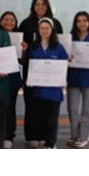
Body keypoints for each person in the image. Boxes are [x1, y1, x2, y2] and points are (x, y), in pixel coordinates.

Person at [18, 0, 64, 148]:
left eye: (43, 4)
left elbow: (63, 59)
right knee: (32, 107)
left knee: (50, 112)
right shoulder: (26, 25)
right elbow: (23, 54)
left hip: (52, 82)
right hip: (33, 78)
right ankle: (33, 136)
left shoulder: (57, 30)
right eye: (37, 4)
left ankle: (48, 140)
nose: (40, 7)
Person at [24, 17, 69, 149]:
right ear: (38, 30)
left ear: (52, 30)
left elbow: (64, 65)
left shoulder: (59, 48)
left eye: (47, 28)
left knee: (51, 119)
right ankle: (39, 138)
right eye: (42, 28)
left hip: (54, 90)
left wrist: (63, 79)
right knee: (38, 116)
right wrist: (29, 79)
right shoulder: (33, 47)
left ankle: (50, 143)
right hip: (37, 89)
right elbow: (29, 66)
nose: (44, 30)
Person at [66, 11, 89, 149]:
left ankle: (83, 137)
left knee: (87, 109)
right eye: (79, 21)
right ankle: (74, 135)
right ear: (75, 23)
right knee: (72, 109)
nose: (82, 23)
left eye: (85, 20)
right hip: (74, 77)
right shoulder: (70, 39)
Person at [0, 10, 24, 149]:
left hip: (12, 77)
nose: (9, 22)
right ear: (1, 21)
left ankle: (9, 136)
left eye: (12, 20)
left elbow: (21, 60)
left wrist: (24, 50)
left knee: (10, 108)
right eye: (6, 19)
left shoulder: (19, 37)